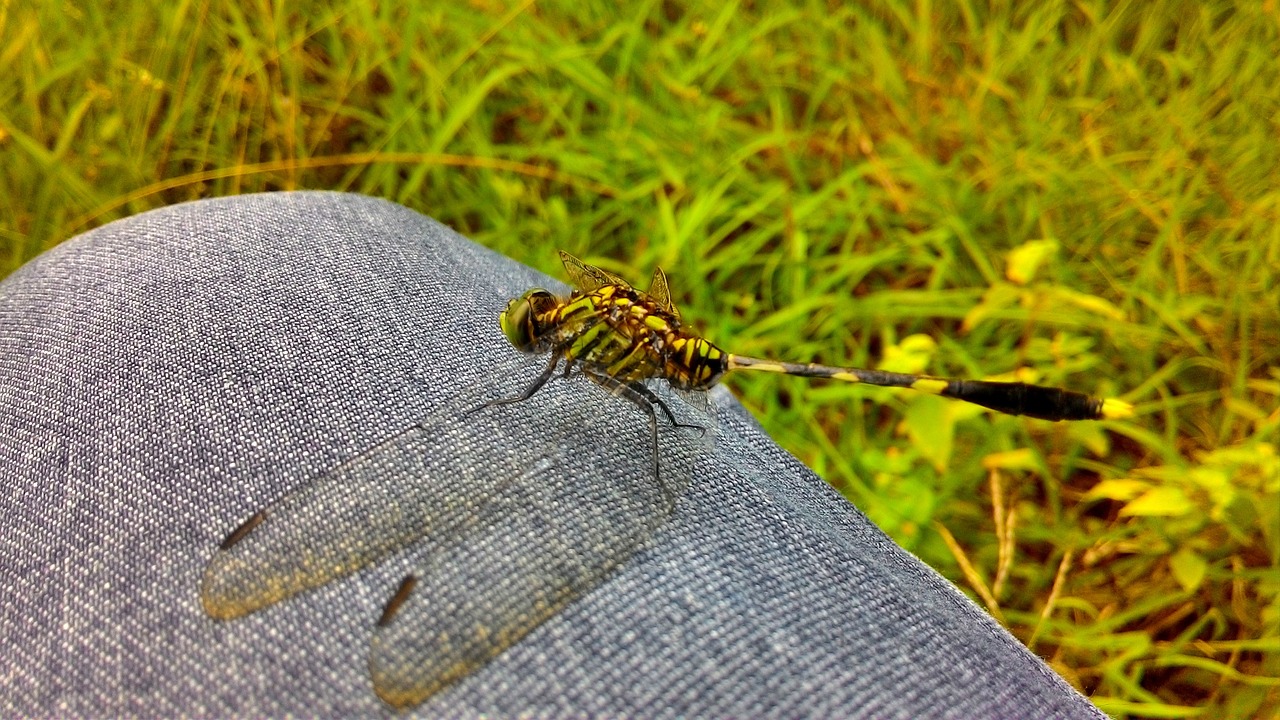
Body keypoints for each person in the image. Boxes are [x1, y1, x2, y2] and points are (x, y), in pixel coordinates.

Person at [0, 192, 1106, 717]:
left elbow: (556, 381)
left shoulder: (594, 348)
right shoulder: (620, 336)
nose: (541, 329)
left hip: (671, 382)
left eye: (544, 325)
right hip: (675, 377)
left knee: (174, 284)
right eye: (548, 328)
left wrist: (554, 374)